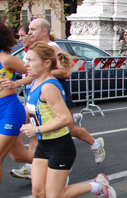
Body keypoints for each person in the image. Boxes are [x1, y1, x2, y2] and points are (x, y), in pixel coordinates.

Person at [21, 42, 115, 198]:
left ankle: (98, 186)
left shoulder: (48, 87)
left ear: (46, 63)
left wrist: (36, 130)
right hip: (44, 146)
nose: (25, 64)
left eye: (30, 60)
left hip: (59, 146)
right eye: (25, 59)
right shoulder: (35, 82)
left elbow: (65, 118)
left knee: (55, 195)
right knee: (38, 191)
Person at [22, 19, 106, 164]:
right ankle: (33, 167)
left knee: (69, 129)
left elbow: (67, 70)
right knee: (34, 133)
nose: (29, 32)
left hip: (54, 94)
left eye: (33, 29)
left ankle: (95, 144)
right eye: (29, 29)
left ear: (44, 31)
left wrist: (45, 74)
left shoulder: (52, 47)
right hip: (37, 95)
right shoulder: (34, 48)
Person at [0, 22, 30, 185]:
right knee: (19, 156)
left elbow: (35, 71)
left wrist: (16, 84)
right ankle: (53, 165)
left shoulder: (5, 60)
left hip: (8, 111)